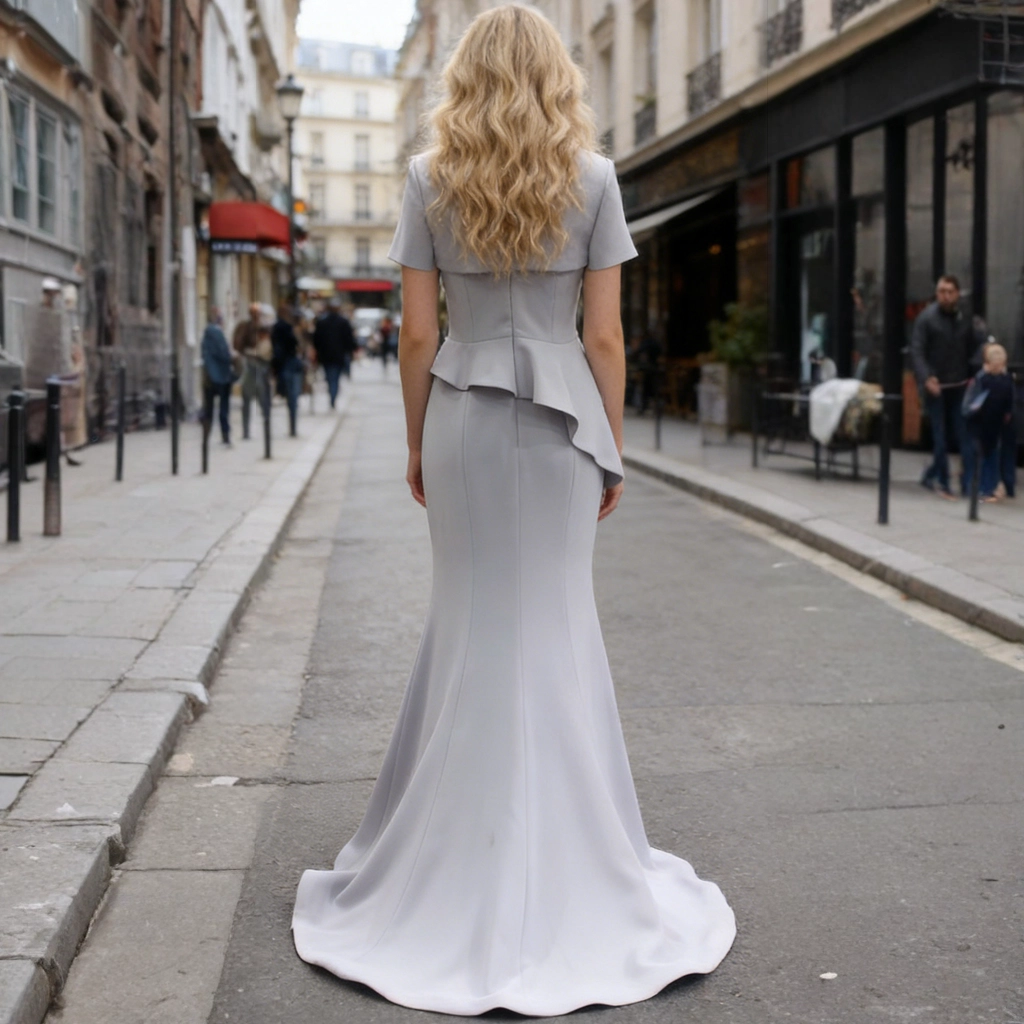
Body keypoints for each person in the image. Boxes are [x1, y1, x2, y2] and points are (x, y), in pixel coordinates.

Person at [291, 6, 736, 1016]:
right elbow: (607, 336)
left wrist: (415, 442)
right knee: (556, 625)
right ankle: (576, 865)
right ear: (554, 76)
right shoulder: (592, 177)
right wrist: (609, 447)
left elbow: (413, 336)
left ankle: (442, 864)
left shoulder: (425, 176)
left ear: (464, 77)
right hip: (562, 428)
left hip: (458, 420)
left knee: (469, 626)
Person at [910, 274, 986, 499]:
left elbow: (977, 344)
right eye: (941, 291)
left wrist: (973, 367)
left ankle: (968, 484)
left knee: (965, 436)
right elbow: (917, 350)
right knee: (940, 435)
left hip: (960, 384)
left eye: (949, 291)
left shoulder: (965, 317)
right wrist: (927, 378)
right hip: (936, 386)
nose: (945, 296)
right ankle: (942, 481)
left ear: (957, 293)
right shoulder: (926, 318)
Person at [963, 342, 1016, 502]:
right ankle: (980, 488)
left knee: (987, 457)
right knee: (984, 457)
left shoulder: (996, 379)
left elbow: (1010, 400)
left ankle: (983, 488)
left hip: (990, 424)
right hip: (983, 424)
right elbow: (969, 405)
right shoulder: (985, 379)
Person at [234, 303, 271, 439]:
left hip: (261, 368)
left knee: (263, 400)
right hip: (249, 367)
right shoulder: (244, 327)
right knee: (247, 400)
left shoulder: (265, 327)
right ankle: (246, 431)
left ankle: (267, 430)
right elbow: (238, 344)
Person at [312, 299, 357, 408]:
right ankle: (333, 396)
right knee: (334, 378)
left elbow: (316, 339)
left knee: (330, 378)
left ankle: (332, 396)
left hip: (326, 356)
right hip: (337, 355)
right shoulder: (342, 322)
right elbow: (349, 339)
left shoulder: (323, 322)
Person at [201, 307, 234, 446]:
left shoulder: (206, 335)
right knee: (223, 409)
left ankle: (205, 438)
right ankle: (225, 435)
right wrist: (232, 356)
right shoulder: (217, 333)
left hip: (209, 376)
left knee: (208, 409)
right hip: (222, 376)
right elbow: (224, 355)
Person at [271, 304, 303, 437]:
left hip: (282, 365)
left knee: (291, 397)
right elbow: (295, 344)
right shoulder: (288, 328)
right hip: (289, 365)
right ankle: (293, 427)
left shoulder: (275, 328)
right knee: (293, 398)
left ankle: (293, 427)